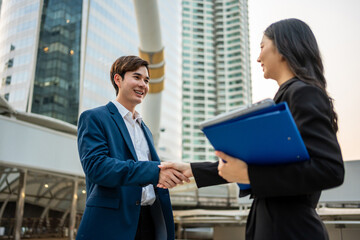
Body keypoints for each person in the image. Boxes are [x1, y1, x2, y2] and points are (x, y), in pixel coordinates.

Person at [160, 18, 344, 240]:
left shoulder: (303, 93)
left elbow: (330, 169)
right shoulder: (289, 96)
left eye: (262, 46)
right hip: (278, 226)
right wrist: (191, 169)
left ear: (283, 46)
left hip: (291, 230)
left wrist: (250, 175)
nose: (258, 58)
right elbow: (264, 165)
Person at [77, 55, 189, 240]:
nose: (143, 85)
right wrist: (154, 171)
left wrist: (168, 175)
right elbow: (97, 167)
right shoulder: (94, 117)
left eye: (146, 80)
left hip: (151, 222)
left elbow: (150, 175)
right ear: (118, 79)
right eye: (136, 77)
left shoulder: (145, 128)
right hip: (113, 224)